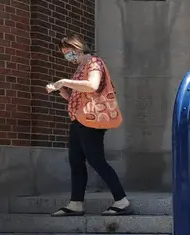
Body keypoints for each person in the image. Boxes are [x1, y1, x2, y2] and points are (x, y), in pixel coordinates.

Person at [45, 34, 132, 216]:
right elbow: (78, 98)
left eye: (68, 52)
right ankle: (76, 203)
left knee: (96, 160)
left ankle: (122, 201)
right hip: (79, 120)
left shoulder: (94, 63)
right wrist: (61, 90)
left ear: (78, 48)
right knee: (76, 161)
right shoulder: (80, 68)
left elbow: (92, 85)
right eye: (64, 53)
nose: (67, 56)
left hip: (92, 120)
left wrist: (65, 81)